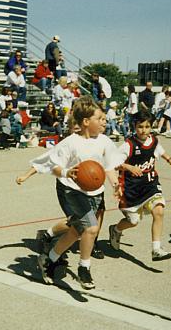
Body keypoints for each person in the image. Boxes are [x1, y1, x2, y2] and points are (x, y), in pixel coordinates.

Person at [34, 96, 124, 289]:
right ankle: (84, 268)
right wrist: (67, 172)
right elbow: (54, 166)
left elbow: (109, 167)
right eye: (99, 119)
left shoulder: (105, 141)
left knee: (76, 232)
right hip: (73, 191)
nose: (104, 122)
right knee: (91, 229)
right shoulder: (71, 142)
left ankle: (48, 260)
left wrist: (116, 184)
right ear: (85, 122)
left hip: (95, 192)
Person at [108, 111, 171, 261]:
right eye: (140, 126)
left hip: (150, 184)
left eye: (147, 126)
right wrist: (128, 167)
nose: (144, 130)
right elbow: (113, 163)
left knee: (159, 211)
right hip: (132, 189)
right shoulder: (128, 145)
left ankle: (156, 249)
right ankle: (115, 229)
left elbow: (160, 151)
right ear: (134, 126)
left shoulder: (154, 140)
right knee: (133, 222)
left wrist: (169, 159)